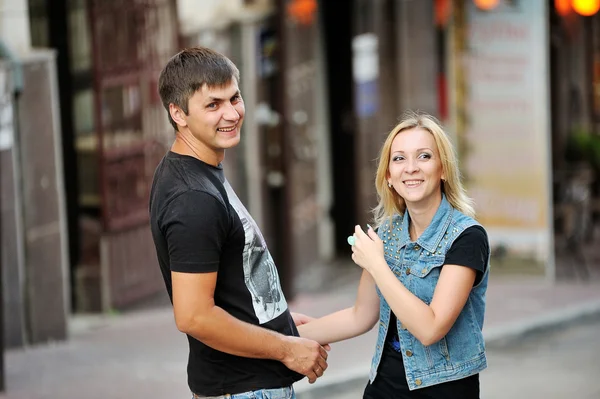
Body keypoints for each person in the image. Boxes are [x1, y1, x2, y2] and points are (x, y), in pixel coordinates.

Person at [149, 47, 329, 399]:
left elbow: (230, 281)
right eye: (213, 105)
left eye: (235, 97)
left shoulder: (199, 171)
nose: (231, 113)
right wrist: (286, 347)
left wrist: (277, 319)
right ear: (178, 113)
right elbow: (194, 316)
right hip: (244, 391)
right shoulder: (192, 198)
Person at [298, 111, 490, 398]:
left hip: (445, 389)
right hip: (384, 385)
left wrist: (377, 264)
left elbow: (431, 328)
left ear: (443, 169)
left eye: (424, 156)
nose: (410, 168)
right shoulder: (386, 235)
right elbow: (360, 315)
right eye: (399, 158)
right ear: (388, 175)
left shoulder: (466, 238)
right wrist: (284, 337)